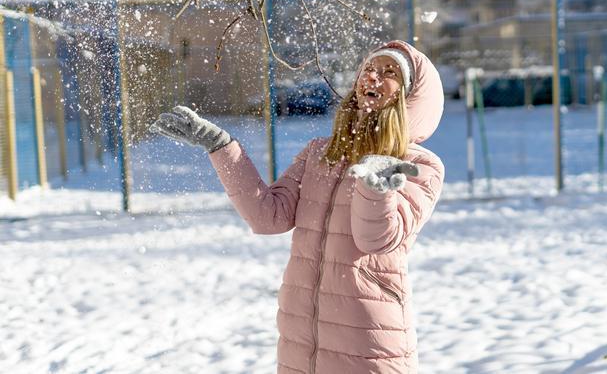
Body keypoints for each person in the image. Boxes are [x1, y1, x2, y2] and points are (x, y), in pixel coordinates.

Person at [151, 39, 445, 373]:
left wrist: (376, 189)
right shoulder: (321, 153)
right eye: (369, 69)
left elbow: (375, 240)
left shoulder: (419, 165)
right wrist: (221, 146)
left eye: (389, 72)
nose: (373, 78)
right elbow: (268, 216)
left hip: (368, 344)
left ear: (411, 95)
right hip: (301, 340)